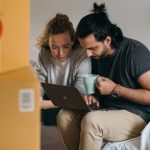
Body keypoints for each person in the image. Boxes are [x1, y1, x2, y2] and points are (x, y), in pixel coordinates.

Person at [57, 3, 150, 150]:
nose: (88, 54)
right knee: (64, 115)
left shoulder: (135, 53)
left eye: (92, 48)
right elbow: (100, 89)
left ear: (107, 40)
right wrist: (94, 97)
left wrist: (115, 89)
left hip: (137, 115)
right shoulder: (97, 56)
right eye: (85, 48)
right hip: (108, 109)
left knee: (92, 121)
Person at [35, 13, 91, 125]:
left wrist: (47, 104)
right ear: (48, 44)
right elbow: (39, 82)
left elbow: (80, 94)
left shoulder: (82, 54)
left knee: (67, 114)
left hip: (73, 100)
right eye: (54, 47)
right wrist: (37, 97)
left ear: (73, 41)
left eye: (66, 46)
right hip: (50, 96)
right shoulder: (44, 53)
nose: (60, 53)